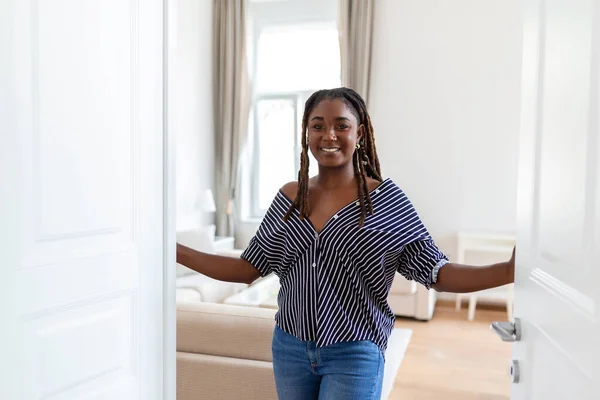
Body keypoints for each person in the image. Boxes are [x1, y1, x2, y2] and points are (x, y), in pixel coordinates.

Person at [176, 87, 515, 400]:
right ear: (306, 133)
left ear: (360, 133)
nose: (329, 136)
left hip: (354, 352)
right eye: (317, 126)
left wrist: (508, 270)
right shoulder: (289, 198)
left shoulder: (386, 200)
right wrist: (173, 251)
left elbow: (438, 273)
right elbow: (246, 268)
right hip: (290, 347)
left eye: (341, 125)